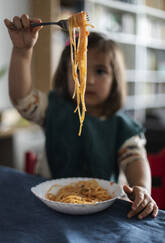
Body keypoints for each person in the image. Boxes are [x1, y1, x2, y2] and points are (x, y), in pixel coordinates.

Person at [4, 14, 158, 219]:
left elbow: (135, 160)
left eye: (101, 71)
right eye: (78, 68)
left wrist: (141, 188)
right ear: (64, 74)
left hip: (102, 212)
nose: (89, 79)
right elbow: (22, 99)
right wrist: (23, 52)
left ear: (115, 80)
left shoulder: (122, 125)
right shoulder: (53, 109)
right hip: (50, 210)